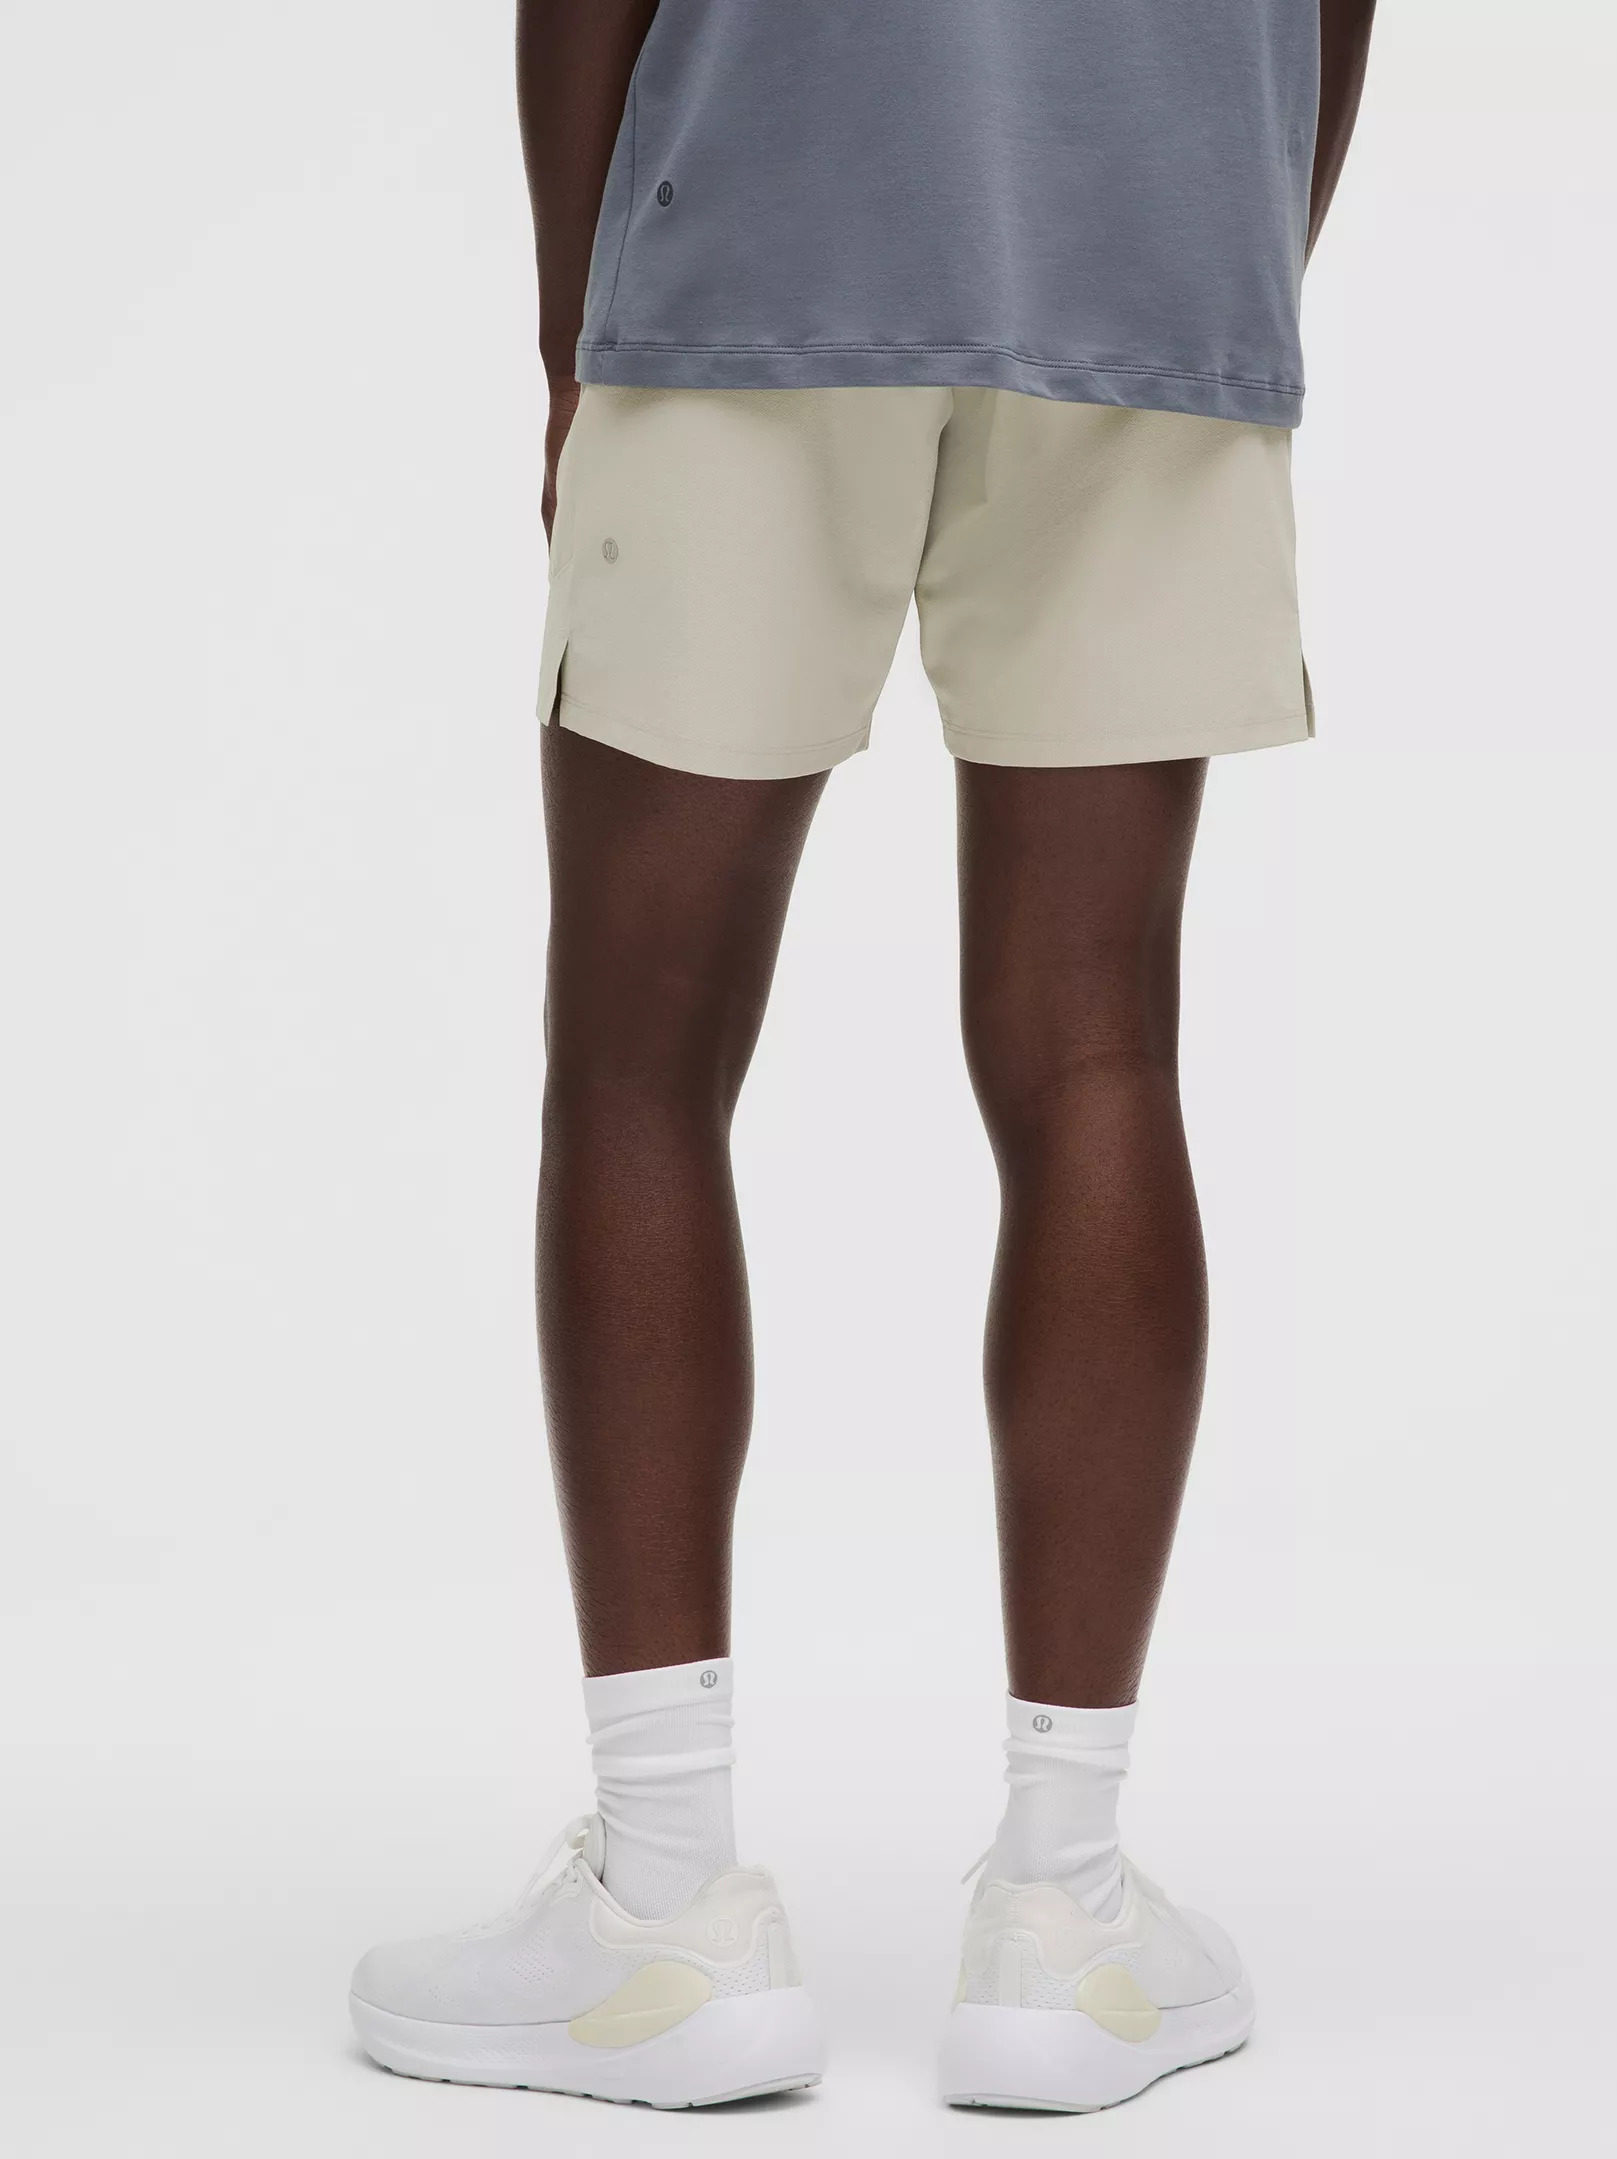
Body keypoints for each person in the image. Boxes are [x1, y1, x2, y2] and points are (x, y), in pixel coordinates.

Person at [350, 0, 1377, 2115]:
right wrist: (1225, 246)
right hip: (1156, 243)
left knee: (639, 1058)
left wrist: (573, 328)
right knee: (1101, 1051)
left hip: (754, 225)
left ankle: (663, 1904)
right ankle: (1066, 1920)